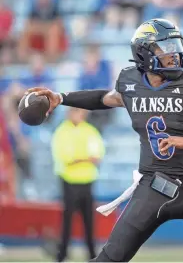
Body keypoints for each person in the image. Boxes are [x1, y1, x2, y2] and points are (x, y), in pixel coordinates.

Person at [25, 19, 183, 262]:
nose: (175, 53)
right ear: (144, 52)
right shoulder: (132, 84)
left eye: (176, 45)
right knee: (109, 258)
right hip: (153, 185)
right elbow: (103, 99)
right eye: (166, 47)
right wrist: (61, 97)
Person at [52, 107, 105, 262]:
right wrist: (85, 159)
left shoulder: (90, 130)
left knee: (89, 221)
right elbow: (66, 158)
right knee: (67, 221)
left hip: (87, 181)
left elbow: (97, 155)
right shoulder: (62, 131)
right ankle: (62, 254)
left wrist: (79, 159)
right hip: (69, 181)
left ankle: (92, 255)